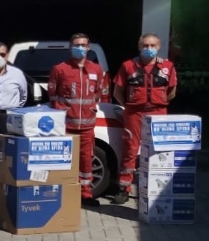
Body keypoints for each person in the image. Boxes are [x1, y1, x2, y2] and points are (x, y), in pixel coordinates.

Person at [110, 33, 177, 204]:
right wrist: (130, 106)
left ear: (159, 46)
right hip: (134, 113)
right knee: (130, 151)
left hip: (158, 112)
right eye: (145, 46)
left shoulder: (168, 66)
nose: (149, 49)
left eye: (152, 46)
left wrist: (158, 104)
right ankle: (124, 188)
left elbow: (172, 92)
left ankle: (155, 189)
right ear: (139, 47)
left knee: (158, 151)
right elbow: (117, 92)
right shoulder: (128, 66)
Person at [47, 33, 104, 207]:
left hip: (87, 126)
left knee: (86, 160)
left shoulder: (96, 69)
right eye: (76, 44)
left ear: (88, 47)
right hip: (65, 125)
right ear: (70, 47)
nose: (80, 48)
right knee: (63, 160)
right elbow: (52, 95)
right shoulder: (60, 69)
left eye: (83, 44)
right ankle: (63, 192)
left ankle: (85, 194)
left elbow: (99, 93)